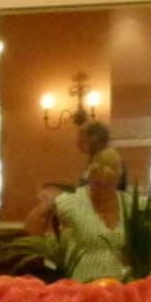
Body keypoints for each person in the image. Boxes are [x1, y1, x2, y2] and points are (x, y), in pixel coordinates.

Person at [27, 151, 126, 282]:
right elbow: (33, 226)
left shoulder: (129, 205)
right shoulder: (72, 202)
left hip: (121, 285)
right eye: (97, 183)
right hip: (83, 284)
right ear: (89, 177)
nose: (101, 187)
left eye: (107, 184)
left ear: (118, 180)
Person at [77, 120, 129, 190]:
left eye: (82, 140)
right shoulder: (97, 156)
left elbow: (97, 191)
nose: (78, 144)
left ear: (94, 139)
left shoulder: (106, 158)